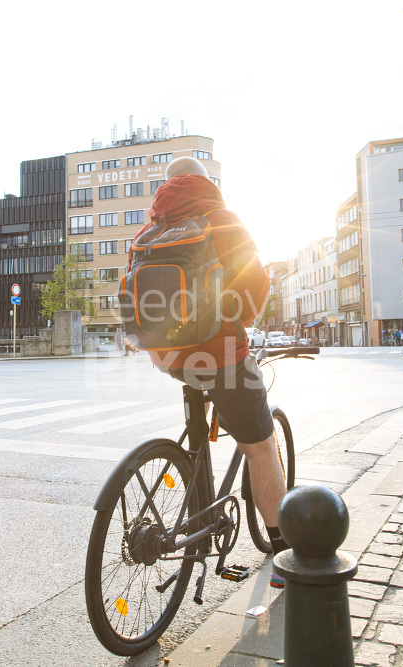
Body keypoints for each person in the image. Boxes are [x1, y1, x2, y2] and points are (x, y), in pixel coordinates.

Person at [124, 156, 287, 586]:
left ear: (168, 185)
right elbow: (254, 289)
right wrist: (239, 322)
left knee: (201, 394)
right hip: (220, 354)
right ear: (205, 181)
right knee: (260, 447)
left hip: (167, 356)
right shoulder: (223, 219)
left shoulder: (147, 232)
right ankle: (286, 555)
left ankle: (200, 501)